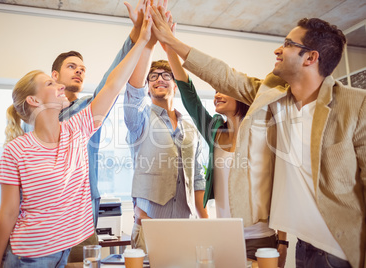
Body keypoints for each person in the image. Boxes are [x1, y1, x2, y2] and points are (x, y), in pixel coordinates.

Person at [151, 7, 365, 268]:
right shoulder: (272, 97)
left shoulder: (356, 105)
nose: (277, 50)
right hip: (305, 247)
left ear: (310, 57)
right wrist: (171, 42)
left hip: (340, 249)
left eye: (287, 44)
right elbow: (224, 75)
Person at [0, 10, 152, 268]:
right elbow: (8, 213)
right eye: (52, 83)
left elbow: (113, 84)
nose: (63, 83)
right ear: (34, 99)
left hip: (69, 245)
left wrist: (141, 40)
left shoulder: (78, 128)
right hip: (30, 256)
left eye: (82, 69)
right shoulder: (17, 149)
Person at [162, 21, 287, 265]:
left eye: (223, 89)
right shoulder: (214, 132)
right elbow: (190, 97)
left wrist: (282, 241)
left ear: (242, 95)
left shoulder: (264, 133)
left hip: (261, 238)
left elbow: (282, 186)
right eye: (215, 90)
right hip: (225, 237)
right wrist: (170, 49)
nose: (217, 94)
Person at [123, 26, 208, 251]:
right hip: (149, 226)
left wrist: (206, 223)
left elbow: (198, 177)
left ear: (175, 84)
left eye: (166, 75)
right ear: (148, 87)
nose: (159, 79)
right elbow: (133, 91)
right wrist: (148, 43)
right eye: (153, 77)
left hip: (187, 227)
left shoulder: (191, 128)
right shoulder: (138, 120)